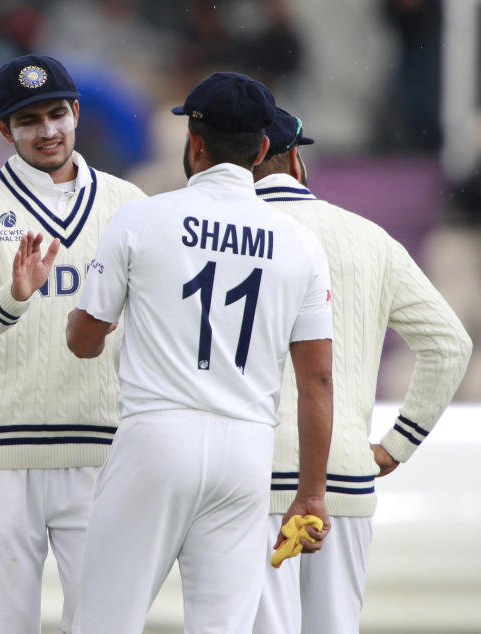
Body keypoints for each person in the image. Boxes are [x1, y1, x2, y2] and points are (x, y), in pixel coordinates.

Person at [66, 72, 335, 634]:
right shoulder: (300, 243)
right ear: (263, 148)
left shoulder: (142, 217)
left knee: (102, 621)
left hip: (157, 435)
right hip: (247, 450)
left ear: (194, 142)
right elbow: (317, 382)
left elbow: (85, 341)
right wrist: (311, 493)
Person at [0, 54, 145, 634]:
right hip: (2, 447)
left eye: (57, 113)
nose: (48, 131)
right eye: (29, 120)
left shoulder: (129, 205)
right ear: (3, 130)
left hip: (101, 445)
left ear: (77, 113)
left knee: (104, 620)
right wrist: (13, 297)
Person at [251, 108, 473, 634]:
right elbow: (449, 344)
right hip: (342, 477)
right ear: (296, 160)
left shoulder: (215, 236)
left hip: (250, 473)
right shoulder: (367, 237)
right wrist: (397, 444)